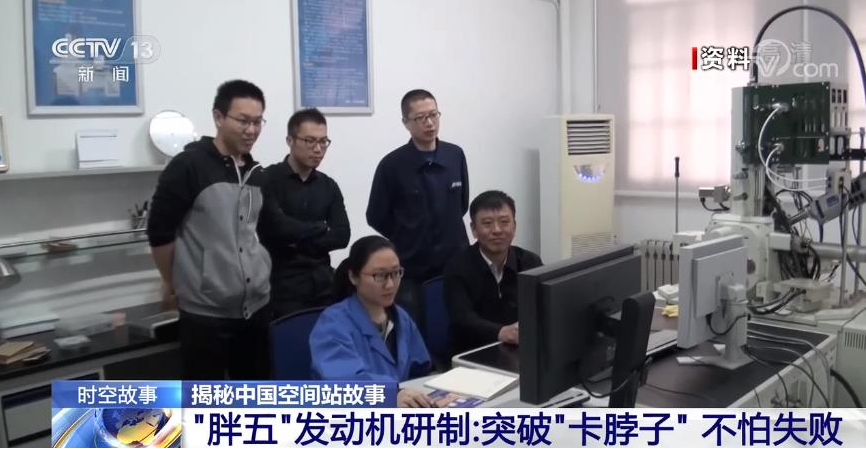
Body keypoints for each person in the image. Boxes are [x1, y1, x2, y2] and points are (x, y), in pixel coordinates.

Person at [147, 80, 326, 380]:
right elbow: (160, 234)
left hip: (256, 308)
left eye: (257, 122)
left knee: (256, 397)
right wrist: (172, 282)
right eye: (243, 121)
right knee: (207, 401)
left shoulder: (255, 173)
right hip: (206, 313)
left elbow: (265, 230)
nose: (251, 130)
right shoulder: (189, 166)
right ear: (219, 117)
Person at [366, 89, 470, 323]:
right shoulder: (392, 165)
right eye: (420, 118)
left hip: (455, 262)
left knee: (459, 324)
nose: (429, 123)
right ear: (406, 123)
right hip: (412, 269)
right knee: (415, 328)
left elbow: (461, 205)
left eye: (433, 115)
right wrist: (408, 233)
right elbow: (376, 216)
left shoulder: (455, 155)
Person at [309, 236, 434, 408]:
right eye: (380, 276)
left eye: (395, 273)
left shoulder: (400, 317)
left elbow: (421, 370)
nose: (390, 285)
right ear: (353, 276)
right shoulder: (332, 324)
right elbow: (343, 383)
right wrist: (391, 395)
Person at [259, 108, 350, 318]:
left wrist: (296, 241)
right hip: (281, 286)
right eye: (310, 141)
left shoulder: (328, 186)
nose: (318, 149)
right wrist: (321, 228)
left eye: (323, 142)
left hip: (324, 285)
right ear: (290, 140)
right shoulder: (267, 179)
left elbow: (342, 235)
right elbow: (277, 229)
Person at [443, 190, 542, 357]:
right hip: (473, 354)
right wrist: (501, 332)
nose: (497, 230)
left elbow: (545, 304)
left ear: (514, 226)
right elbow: (462, 319)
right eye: (487, 223)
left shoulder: (529, 262)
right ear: (474, 230)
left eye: (504, 222)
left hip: (521, 350)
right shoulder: (457, 267)